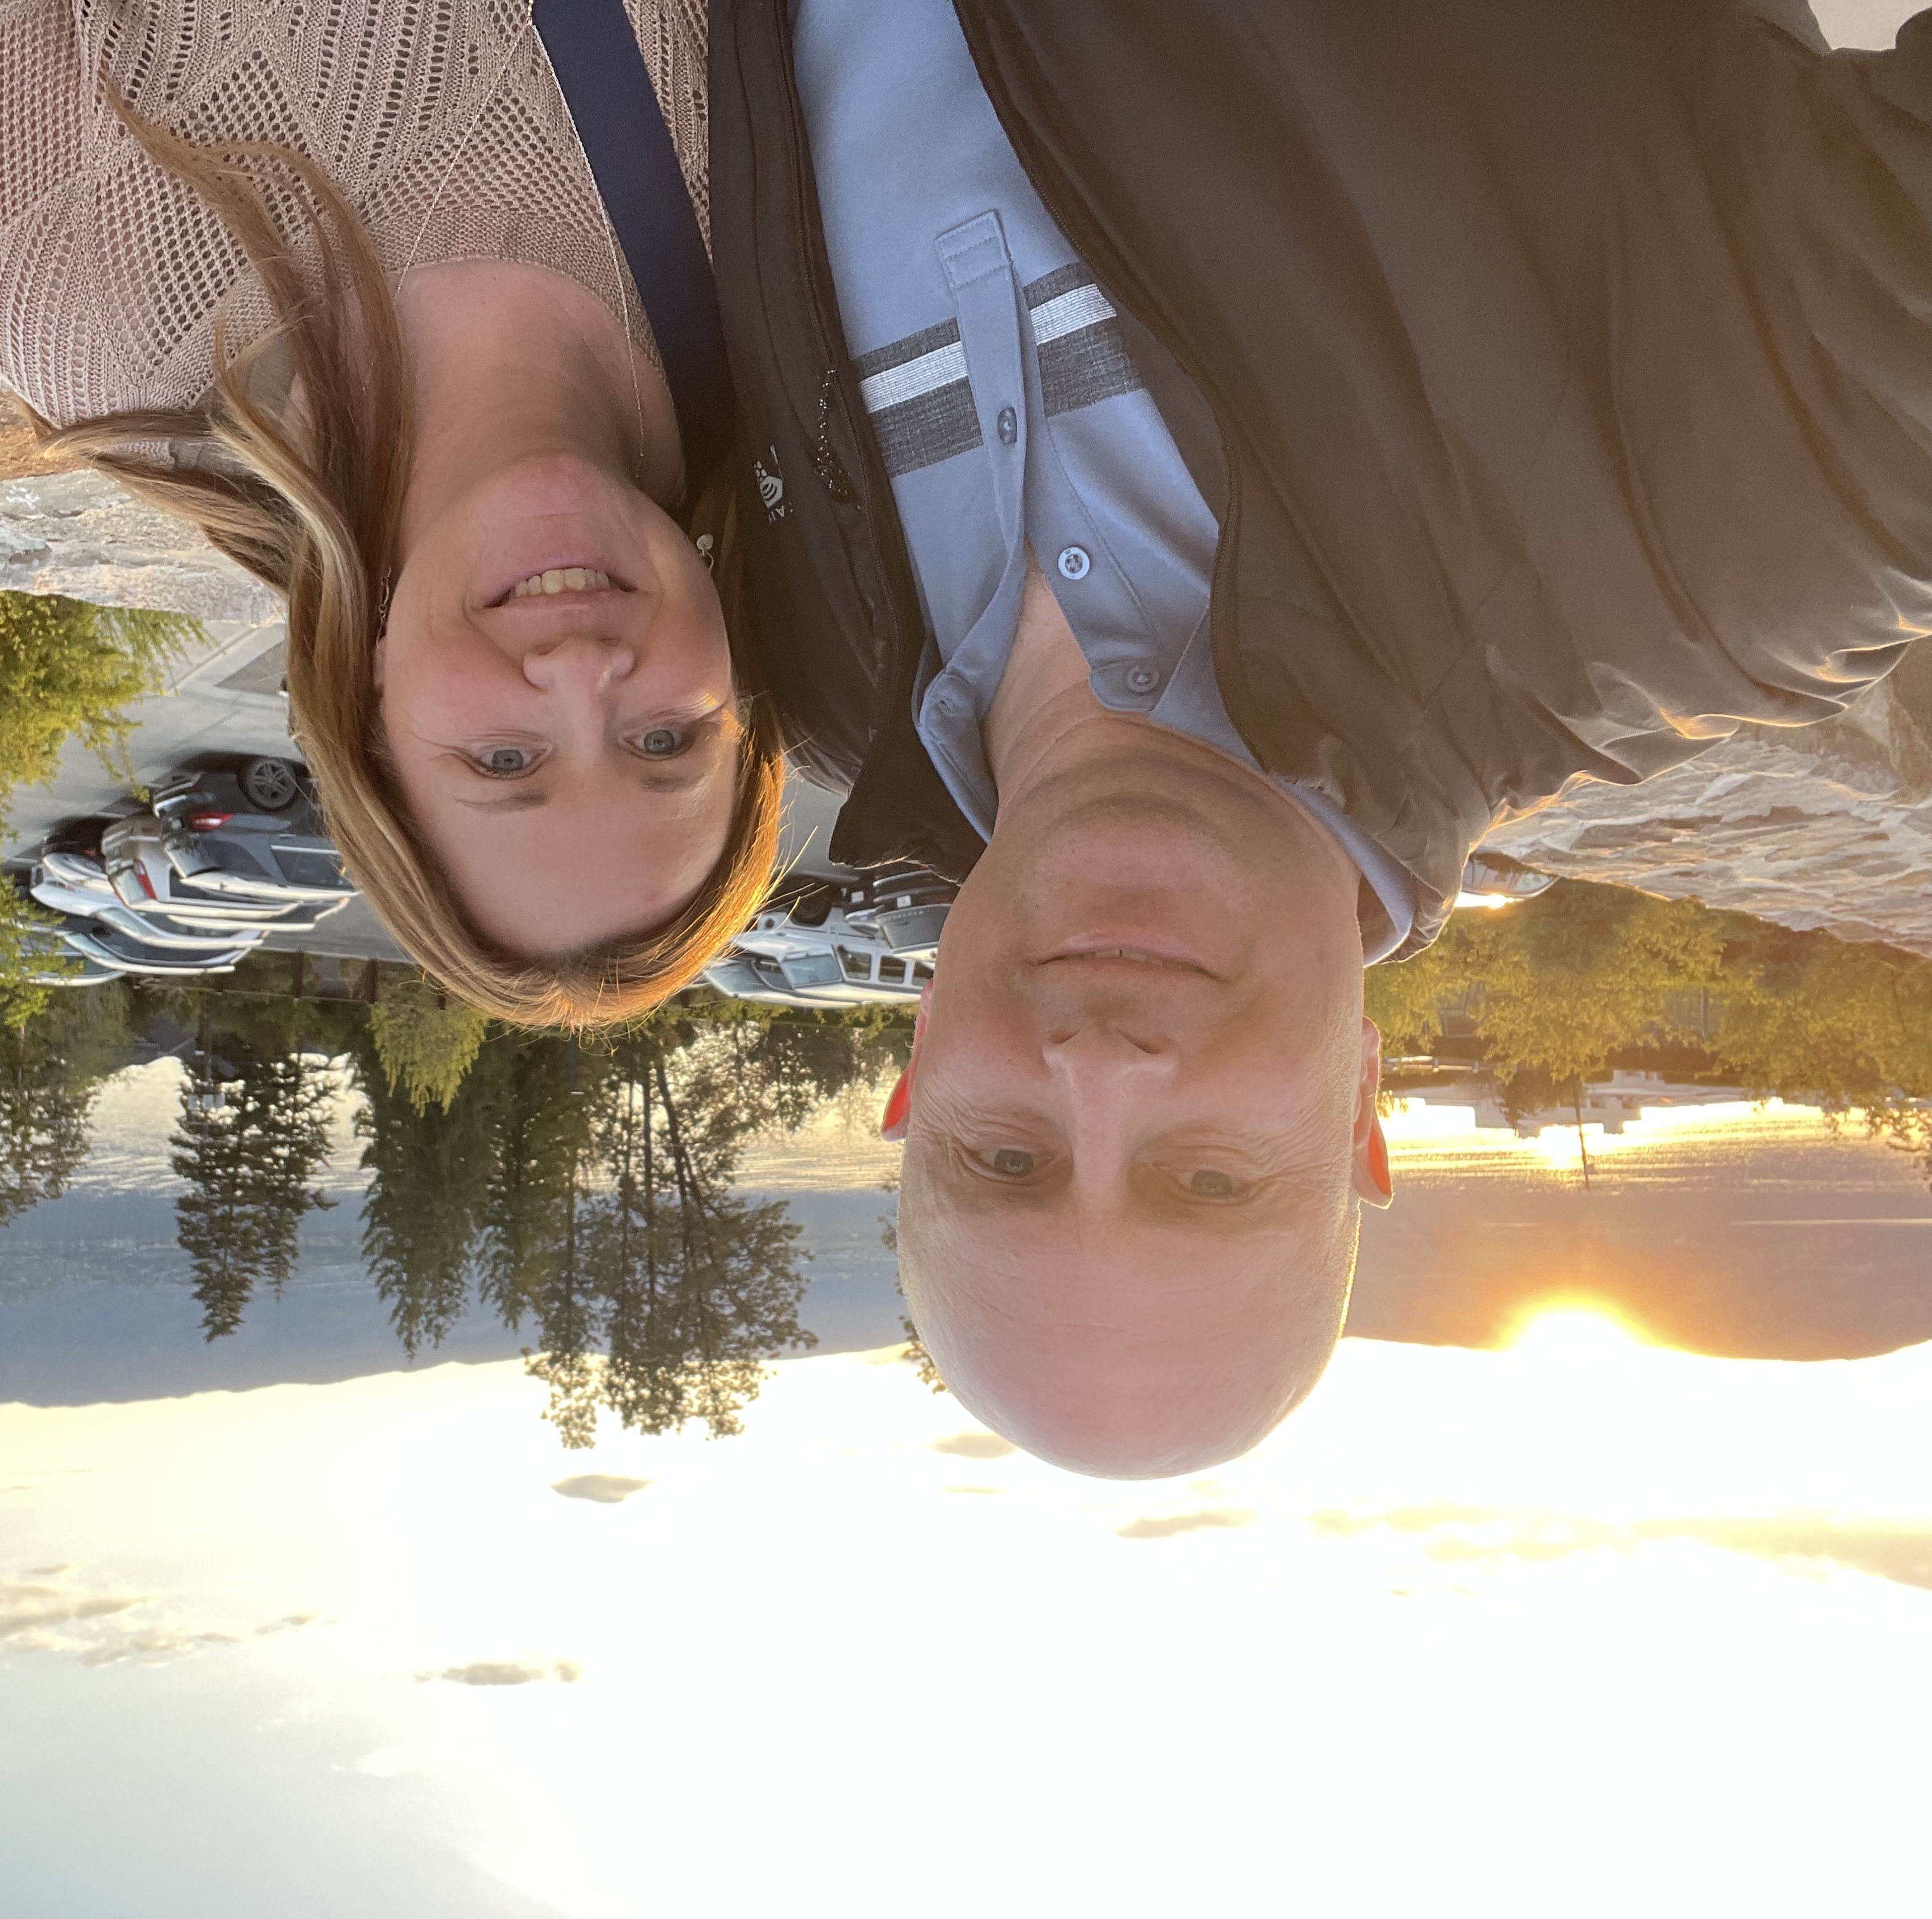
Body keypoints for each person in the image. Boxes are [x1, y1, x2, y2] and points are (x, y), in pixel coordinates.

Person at [710, 0, 1932, 1474]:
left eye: (1008, 1158)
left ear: (915, 1082)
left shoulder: (790, 647)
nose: (1099, 1072)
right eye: (1210, 1180)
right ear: (1359, 1111)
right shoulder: (1700, 552)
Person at [0, 0, 785, 1022]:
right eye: (667, 742)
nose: (582, 675)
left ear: (366, 709)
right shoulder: (796, 297)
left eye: (505, 761)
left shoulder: (83, 292)